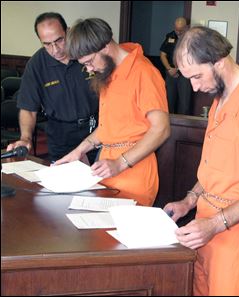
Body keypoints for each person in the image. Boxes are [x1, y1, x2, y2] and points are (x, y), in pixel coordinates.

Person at [163, 26, 239, 296]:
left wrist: (216, 224)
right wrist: (190, 200)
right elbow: (216, 169)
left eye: (197, 76)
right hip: (205, 227)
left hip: (235, 235)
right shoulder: (220, 100)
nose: (194, 87)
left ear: (219, 60)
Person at [55, 18, 170, 207]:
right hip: (107, 168)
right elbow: (109, 127)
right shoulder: (108, 72)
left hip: (134, 173)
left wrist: (120, 163)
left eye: (90, 62)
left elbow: (161, 129)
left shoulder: (144, 72)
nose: (89, 69)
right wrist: (79, 150)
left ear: (105, 47)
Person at [6, 12, 99, 163]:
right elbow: (28, 108)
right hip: (61, 135)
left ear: (67, 32)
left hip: (96, 128)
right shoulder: (36, 65)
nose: (55, 50)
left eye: (59, 40)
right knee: (65, 183)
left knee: (103, 182)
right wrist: (25, 138)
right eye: (47, 44)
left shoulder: (86, 53)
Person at [160, 17, 192, 115]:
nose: (178, 32)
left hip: (184, 74)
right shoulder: (170, 36)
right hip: (170, 73)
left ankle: (182, 128)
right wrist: (169, 69)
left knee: (184, 104)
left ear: (186, 27)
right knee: (168, 102)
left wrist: (177, 69)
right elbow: (163, 55)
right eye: (176, 29)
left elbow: (191, 58)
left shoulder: (191, 38)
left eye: (180, 30)